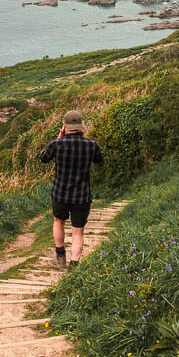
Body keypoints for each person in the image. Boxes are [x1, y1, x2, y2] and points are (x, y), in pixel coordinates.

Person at [39, 109, 104, 270]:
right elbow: (99, 161)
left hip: (60, 194)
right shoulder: (91, 145)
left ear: (65, 126)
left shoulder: (56, 144)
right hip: (82, 196)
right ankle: (74, 267)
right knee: (78, 232)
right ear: (81, 126)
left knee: (58, 221)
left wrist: (59, 138)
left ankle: (60, 257)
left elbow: (43, 158)